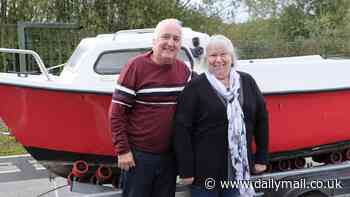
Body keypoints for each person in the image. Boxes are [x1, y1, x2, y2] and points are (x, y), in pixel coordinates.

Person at [173, 35, 269, 197]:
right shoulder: (195, 87)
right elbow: (181, 130)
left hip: (238, 173)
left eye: (223, 54)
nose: (218, 60)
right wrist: (186, 170)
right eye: (213, 55)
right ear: (206, 59)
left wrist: (262, 157)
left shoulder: (247, 81)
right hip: (204, 174)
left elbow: (261, 119)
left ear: (232, 57)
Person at [109, 18, 192, 197]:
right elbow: (116, 114)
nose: (171, 43)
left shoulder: (184, 70)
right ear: (154, 41)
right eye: (166, 37)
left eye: (176, 39)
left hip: (170, 158)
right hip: (139, 158)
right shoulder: (135, 67)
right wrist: (122, 151)